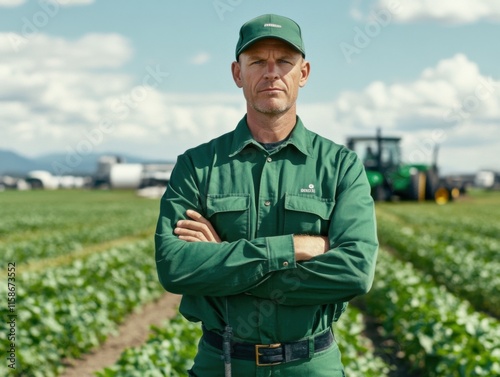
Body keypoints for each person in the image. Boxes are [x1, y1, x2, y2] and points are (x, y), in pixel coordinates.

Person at [155, 13, 378, 377]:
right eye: (257, 61)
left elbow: (354, 272)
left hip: (311, 365)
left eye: (284, 62)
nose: (271, 72)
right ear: (237, 73)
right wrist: (292, 249)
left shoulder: (340, 166)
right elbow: (175, 268)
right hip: (222, 363)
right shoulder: (197, 165)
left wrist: (223, 267)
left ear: (303, 73)